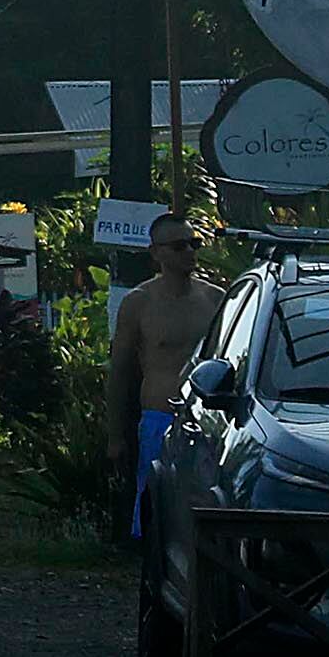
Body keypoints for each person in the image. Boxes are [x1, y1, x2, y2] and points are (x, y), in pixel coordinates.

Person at [102, 215, 218, 551]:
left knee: (203, 508)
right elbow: (120, 370)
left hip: (205, 422)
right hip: (158, 419)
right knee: (157, 510)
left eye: (193, 243)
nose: (189, 252)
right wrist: (115, 435)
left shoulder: (214, 299)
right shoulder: (139, 303)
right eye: (179, 246)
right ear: (157, 253)